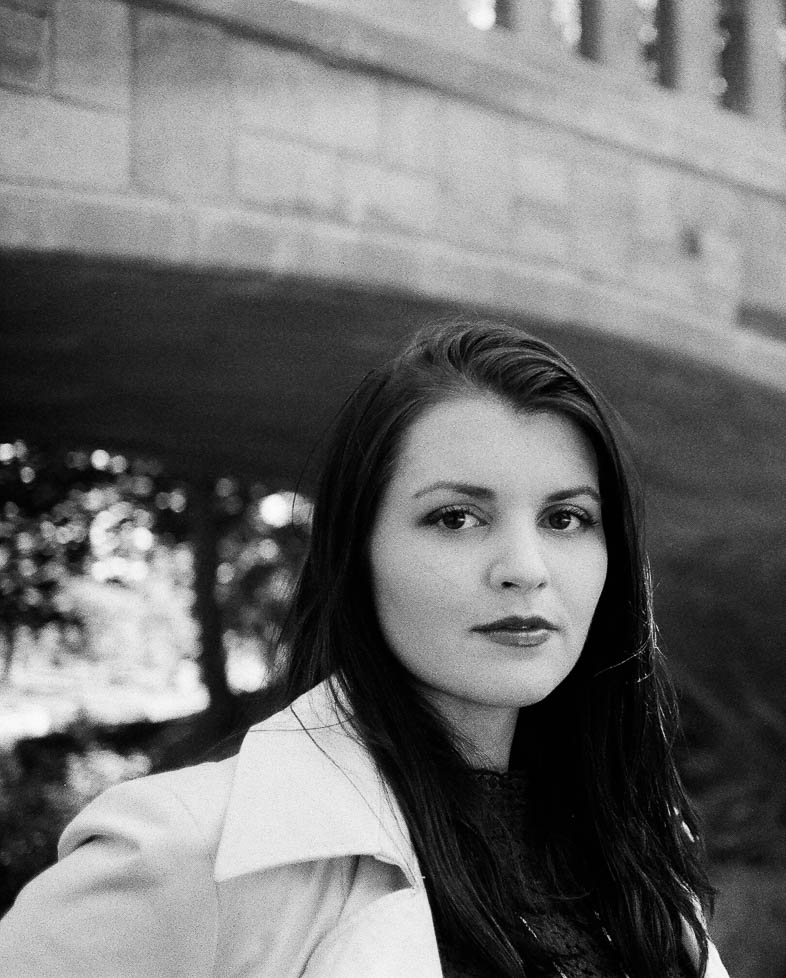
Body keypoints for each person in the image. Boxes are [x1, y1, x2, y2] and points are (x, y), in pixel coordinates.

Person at [0, 321, 728, 978]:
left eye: (565, 518)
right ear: (357, 550)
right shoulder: (189, 853)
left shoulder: (637, 859)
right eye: (455, 517)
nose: (525, 566)